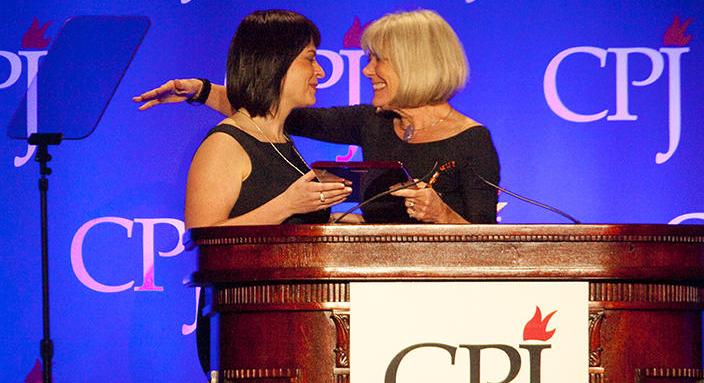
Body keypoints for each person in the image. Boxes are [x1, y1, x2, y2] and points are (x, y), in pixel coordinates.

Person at [134, 9, 500, 224]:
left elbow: (489, 249)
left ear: (414, 65)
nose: (367, 70)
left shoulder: (472, 141)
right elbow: (272, 111)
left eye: (378, 60)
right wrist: (202, 90)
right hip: (372, 294)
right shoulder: (372, 122)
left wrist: (441, 215)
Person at [182, 9, 351, 230]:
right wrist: (287, 206)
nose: (320, 72)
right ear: (274, 62)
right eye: (310, 59)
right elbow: (202, 236)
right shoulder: (224, 145)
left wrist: (333, 218)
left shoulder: (279, 140)